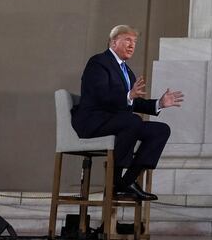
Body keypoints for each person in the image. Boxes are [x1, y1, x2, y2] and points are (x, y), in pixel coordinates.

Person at [71, 25, 184, 201]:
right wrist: (128, 95)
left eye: (135, 42)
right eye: (128, 40)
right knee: (132, 121)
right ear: (113, 42)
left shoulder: (126, 70)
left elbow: (133, 101)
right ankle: (115, 181)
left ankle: (127, 181)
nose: (132, 45)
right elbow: (99, 94)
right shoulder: (98, 62)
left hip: (118, 122)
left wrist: (159, 103)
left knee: (160, 130)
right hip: (93, 121)